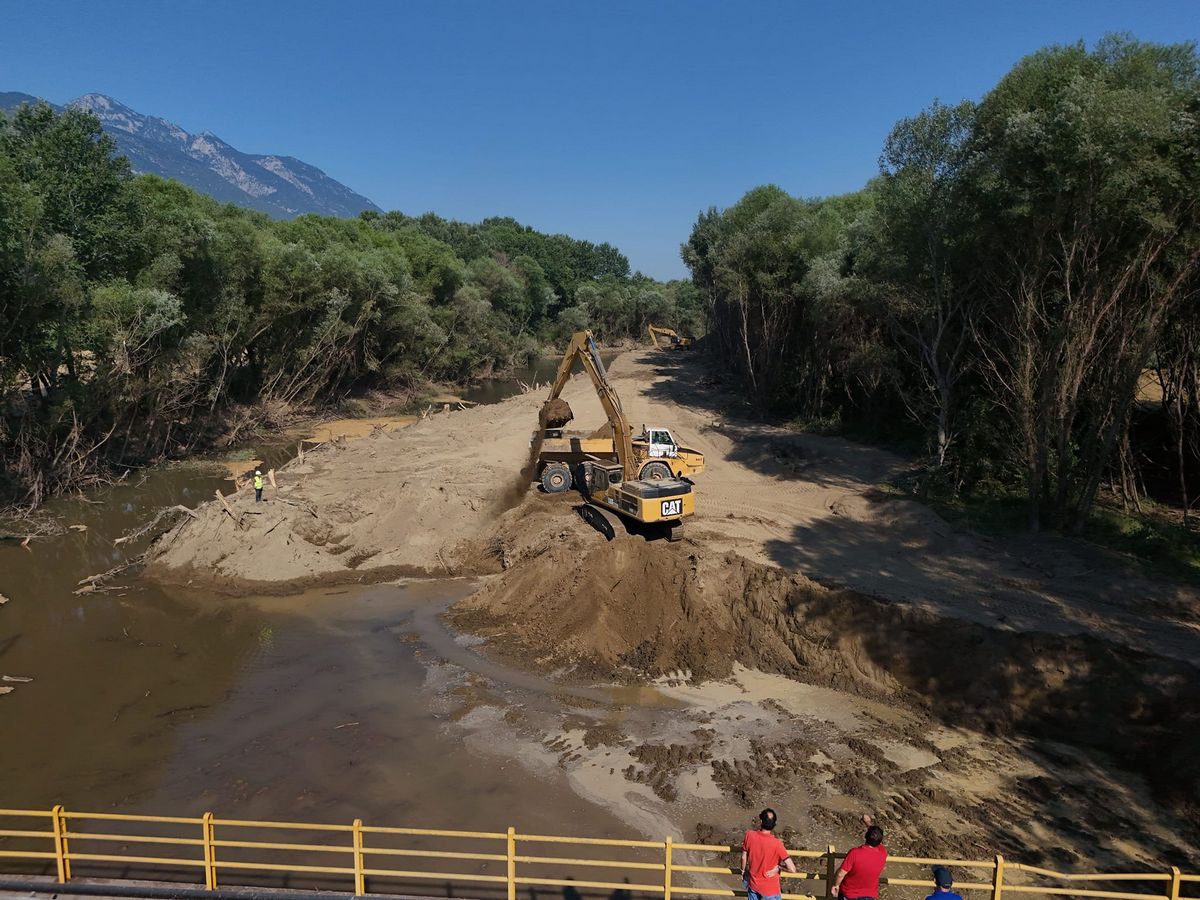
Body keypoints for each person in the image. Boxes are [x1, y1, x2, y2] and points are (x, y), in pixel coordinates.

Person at [741, 808, 797, 900]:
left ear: (761, 821)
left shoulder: (749, 835)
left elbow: (744, 857)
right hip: (770, 889)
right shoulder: (777, 844)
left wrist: (743, 871)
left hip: (753, 884)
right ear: (774, 824)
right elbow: (793, 869)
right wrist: (779, 867)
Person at [831, 816, 887, 900]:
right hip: (870, 896)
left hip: (849, 894)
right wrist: (868, 823)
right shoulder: (883, 853)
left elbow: (840, 874)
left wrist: (835, 885)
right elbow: (878, 839)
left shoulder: (855, 853)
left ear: (865, 836)